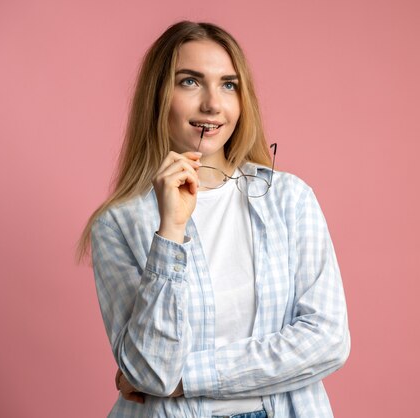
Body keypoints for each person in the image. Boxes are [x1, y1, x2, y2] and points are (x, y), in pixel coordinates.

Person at [77, 20, 350, 418]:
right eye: (189, 82)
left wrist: (184, 379)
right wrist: (169, 232)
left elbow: (326, 340)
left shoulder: (288, 199)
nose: (212, 104)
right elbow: (152, 369)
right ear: (158, 97)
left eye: (228, 84)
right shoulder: (118, 225)